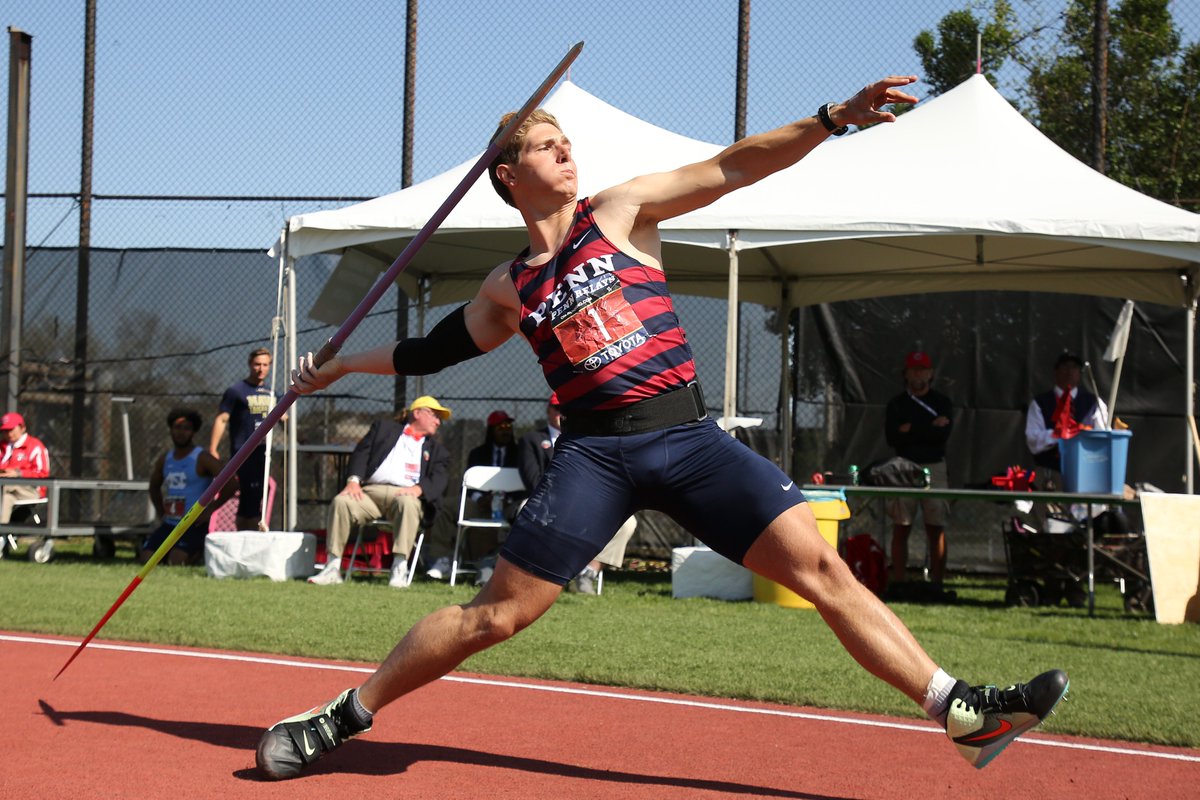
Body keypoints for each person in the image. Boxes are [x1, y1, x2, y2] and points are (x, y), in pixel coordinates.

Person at [257, 75, 1068, 781]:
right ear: (508, 176)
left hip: (686, 438)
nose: (566, 151)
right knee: (493, 618)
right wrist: (335, 366)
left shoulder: (619, 212)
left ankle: (962, 712)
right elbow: (432, 347)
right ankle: (342, 715)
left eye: (566, 139)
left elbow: (735, 164)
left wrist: (831, 118)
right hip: (593, 457)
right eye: (545, 145)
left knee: (820, 566)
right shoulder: (510, 284)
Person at [308, 396, 451, 588]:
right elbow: (361, 453)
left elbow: (439, 479)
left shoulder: (438, 451)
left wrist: (419, 489)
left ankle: (399, 568)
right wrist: (353, 481)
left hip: (405, 496)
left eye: (439, 418)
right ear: (417, 413)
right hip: (369, 494)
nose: (438, 421)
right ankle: (332, 567)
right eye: (435, 415)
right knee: (342, 501)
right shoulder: (383, 429)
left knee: (407, 502)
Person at [517, 394, 636, 594]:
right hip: (546, 500)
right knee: (524, 509)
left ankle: (588, 572)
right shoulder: (532, 440)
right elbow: (533, 479)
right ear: (548, 410)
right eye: (557, 408)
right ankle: (543, 575)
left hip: (585, 501)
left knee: (627, 522)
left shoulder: (588, 439)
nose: (561, 413)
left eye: (566, 409)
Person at [883, 351, 954, 600]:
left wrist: (911, 429)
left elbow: (942, 436)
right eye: (914, 370)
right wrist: (928, 427)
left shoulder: (942, 402)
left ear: (931, 373)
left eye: (923, 369)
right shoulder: (896, 404)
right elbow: (893, 437)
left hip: (935, 466)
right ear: (906, 374)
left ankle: (937, 584)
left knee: (936, 526)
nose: (918, 374)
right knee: (901, 525)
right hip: (904, 467)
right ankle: (899, 583)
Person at [141, 408, 237, 566]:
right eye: (177, 427)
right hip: (170, 523)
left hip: (194, 524)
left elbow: (231, 482)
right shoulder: (166, 459)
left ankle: (198, 554)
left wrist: (211, 509)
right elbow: (154, 487)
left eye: (186, 428)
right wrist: (160, 511)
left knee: (176, 560)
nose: (181, 432)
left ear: (193, 432)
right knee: (146, 559)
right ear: (171, 429)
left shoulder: (202, 458)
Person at [209, 348, 276, 531]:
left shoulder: (271, 393)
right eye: (257, 364)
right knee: (249, 496)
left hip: (264, 452)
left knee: (257, 496)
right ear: (249, 364)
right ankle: (245, 535)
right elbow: (222, 418)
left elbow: (281, 418)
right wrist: (213, 448)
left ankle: (250, 537)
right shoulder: (236, 391)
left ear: (270, 366)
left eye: (264, 365)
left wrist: (298, 440)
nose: (260, 369)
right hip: (243, 452)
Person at [1025, 351, 1109, 486]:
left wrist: (1081, 435)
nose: (1069, 371)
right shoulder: (1040, 403)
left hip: (1086, 473)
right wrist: (1059, 436)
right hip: (1050, 474)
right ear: (1056, 372)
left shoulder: (1094, 403)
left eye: (1074, 367)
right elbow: (1033, 440)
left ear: (1080, 374)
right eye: (1065, 366)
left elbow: (1103, 438)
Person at [0, 412, 50, 523]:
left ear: (22, 428)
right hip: (7, 491)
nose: (8, 433)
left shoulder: (35, 446)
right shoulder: (2, 446)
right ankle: (3, 536)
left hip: (31, 491)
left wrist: (18, 473)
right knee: (6, 498)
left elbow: (42, 473)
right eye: (4, 430)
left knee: (5, 486)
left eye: (11, 429)